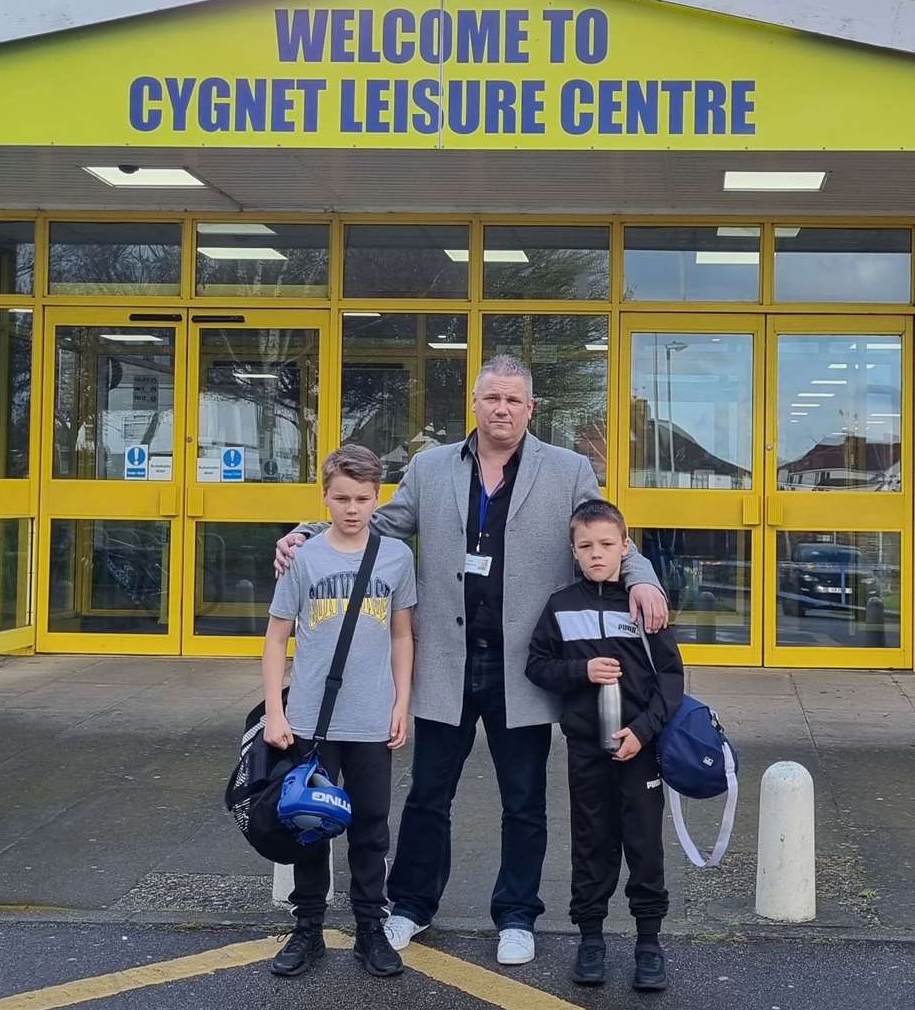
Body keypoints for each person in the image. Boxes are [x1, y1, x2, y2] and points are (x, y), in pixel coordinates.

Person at [273, 355, 667, 967]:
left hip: (523, 666)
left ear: (531, 408)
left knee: (523, 799)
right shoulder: (431, 468)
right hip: (445, 660)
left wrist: (643, 582)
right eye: (491, 399)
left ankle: (516, 915)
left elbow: (608, 536)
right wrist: (304, 534)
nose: (502, 409)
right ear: (475, 404)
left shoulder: (565, 471)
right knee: (429, 794)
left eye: (513, 400)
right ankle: (409, 906)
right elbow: (375, 521)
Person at [261, 444, 416, 979]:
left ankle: (370, 927)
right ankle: (308, 928)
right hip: (311, 720)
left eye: (364, 498)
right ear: (324, 497)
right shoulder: (303, 558)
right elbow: (276, 638)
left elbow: (402, 634)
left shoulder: (396, 557)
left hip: (372, 719)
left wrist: (403, 702)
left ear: (378, 498)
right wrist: (276, 714)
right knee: (308, 825)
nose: (352, 509)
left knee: (371, 827)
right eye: (342, 498)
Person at [524, 498, 684, 993]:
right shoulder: (560, 605)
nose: (597, 555)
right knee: (591, 842)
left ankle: (649, 943)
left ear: (624, 546)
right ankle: (590, 939)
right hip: (586, 749)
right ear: (574, 551)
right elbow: (536, 665)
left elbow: (672, 679)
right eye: (586, 546)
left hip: (640, 747)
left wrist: (644, 731)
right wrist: (580, 672)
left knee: (644, 843)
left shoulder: (643, 603)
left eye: (607, 545)